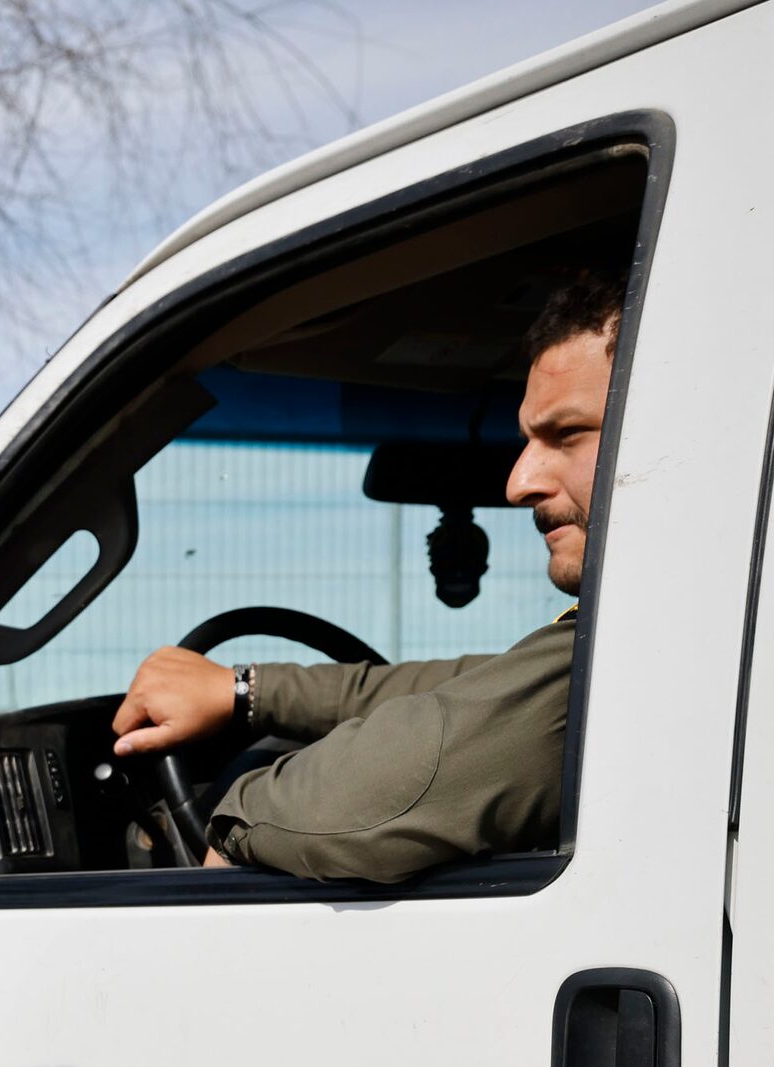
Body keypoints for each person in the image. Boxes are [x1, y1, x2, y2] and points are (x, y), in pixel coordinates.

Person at [109, 269, 620, 883]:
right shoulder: (625, 629)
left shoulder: (647, 647)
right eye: (527, 441)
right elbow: (481, 685)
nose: (517, 482)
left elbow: (366, 797)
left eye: (566, 433)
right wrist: (249, 693)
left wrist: (244, 815)